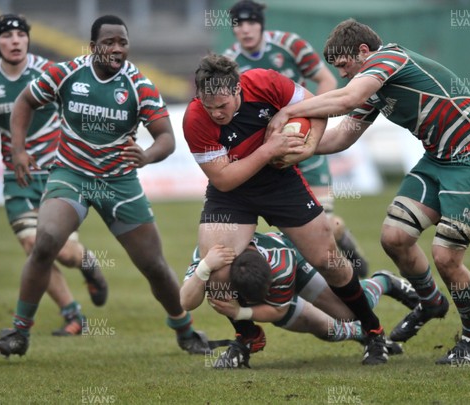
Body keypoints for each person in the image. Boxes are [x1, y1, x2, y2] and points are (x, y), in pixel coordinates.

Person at [267, 19, 470, 365]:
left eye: (346, 66)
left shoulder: (389, 58)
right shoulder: (373, 88)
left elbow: (346, 99)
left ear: (364, 52)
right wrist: (298, 149)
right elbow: (340, 137)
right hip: (438, 159)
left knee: (446, 258)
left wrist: (290, 110)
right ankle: (431, 302)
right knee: (394, 237)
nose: (346, 75)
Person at [0, 15, 208, 357]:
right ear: (93, 47)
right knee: (44, 243)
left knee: (153, 265)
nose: (117, 49)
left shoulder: (140, 85)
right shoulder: (67, 73)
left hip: (119, 182)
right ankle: (19, 332)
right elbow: (25, 102)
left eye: (123, 42)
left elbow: (166, 137)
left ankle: (185, 329)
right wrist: (18, 150)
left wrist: (147, 156)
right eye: (110, 42)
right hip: (71, 175)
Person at [183, 53, 389, 365]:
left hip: (279, 183)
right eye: (208, 106)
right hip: (233, 193)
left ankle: (374, 332)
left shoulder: (266, 82)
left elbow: (319, 111)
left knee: (329, 260)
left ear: (238, 89)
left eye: (222, 106)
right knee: (217, 269)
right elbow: (224, 180)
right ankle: (247, 335)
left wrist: (306, 147)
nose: (216, 114)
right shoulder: (196, 118)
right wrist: (269, 149)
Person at [0, 14, 108, 337]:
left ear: (28, 39)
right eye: (6, 35)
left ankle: (88, 264)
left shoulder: (49, 73)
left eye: (20, 34)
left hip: (60, 175)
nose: (14, 40)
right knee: (34, 247)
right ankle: (73, 313)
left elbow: (83, 106)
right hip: (18, 180)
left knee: (65, 252)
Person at [224, 0, 369, 277]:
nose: (246, 29)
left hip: (305, 143)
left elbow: (327, 81)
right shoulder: (229, 64)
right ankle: (334, 267)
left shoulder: (290, 45)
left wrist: (309, 125)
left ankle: (343, 260)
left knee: (322, 222)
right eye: (239, 24)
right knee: (300, 232)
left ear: (261, 24)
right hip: (269, 151)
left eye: (251, 22)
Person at [180, 231, 419, 368]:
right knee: (328, 330)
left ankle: (384, 281)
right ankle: (248, 338)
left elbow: (278, 310)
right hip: (233, 275)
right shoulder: (208, 257)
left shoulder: (280, 261)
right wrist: (204, 269)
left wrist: (240, 312)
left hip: (295, 263)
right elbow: (186, 302)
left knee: (347, 314)